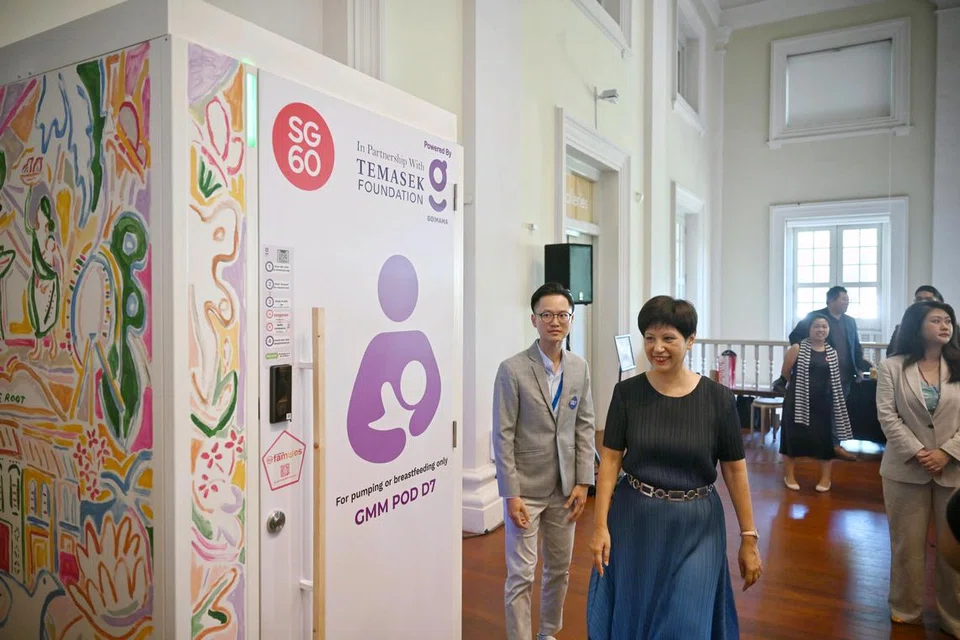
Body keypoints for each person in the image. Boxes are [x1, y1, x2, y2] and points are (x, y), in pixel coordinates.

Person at [587, 296, 761, 639]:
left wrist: (748, 537)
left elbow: (735, 470)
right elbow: (610, 461)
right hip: (636, 520)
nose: (658, 348)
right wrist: (600, 526)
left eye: (669, 338)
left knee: (686, 621)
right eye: (650, 338)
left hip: (698, 524)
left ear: (690, 339)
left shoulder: (718, 399)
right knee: (636, 611)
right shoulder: (627, 394)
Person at [493, 282, 596, 640]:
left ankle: (548, 632)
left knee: (559, 570)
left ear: (571, 319)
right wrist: (511, 494)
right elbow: (503, 435)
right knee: (521, 575)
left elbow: (585, 425)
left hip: (565, 489)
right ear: (534, 319)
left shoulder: (579, 367)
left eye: (562, 315)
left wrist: (583, 481)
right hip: (526, 489)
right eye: (547, 315)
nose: (555, 321)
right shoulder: (512, 369)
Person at [877, 300, 960, 636]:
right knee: (906, 546)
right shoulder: (892, 367)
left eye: (948, 321)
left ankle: (954, 617)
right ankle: (905, 608)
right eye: (936, 320)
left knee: (954, 548)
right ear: (917, 325)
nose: (945, 326)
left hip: (953, 469)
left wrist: (947, 453)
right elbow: (887, 415)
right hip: (905, 469)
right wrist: (919, 452)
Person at [789, 286, 871, 460]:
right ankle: (815, 444)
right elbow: (794, 337)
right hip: (818, 377)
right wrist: (811, 350)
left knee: (837, 412)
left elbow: (856, 345)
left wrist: (859, 368)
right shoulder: (815, 317)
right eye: (844, 299)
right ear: (831, 300)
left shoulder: (850, 321)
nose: (847, 302)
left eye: (847, 299)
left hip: (844, 376)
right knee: (817, 412)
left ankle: (834, 445)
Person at [779, 314, 852, 492]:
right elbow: (786, 373)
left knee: (824, 441)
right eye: (816, 326)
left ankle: (825, 479)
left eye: (824, 326)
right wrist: (800, 388)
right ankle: (789, 475)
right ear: (809, 329)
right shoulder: (797, 348)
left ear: (829, 330)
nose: (820, 330)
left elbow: (833, 379)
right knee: (792, 439)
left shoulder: (832, 352)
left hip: (822, 402)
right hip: (797, 401)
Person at [887, 285, 944, 356]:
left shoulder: (949, 328)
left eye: (929, 300)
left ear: (940, 304)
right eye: (919, 299)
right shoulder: (902, 328)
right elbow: (891, 353)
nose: (923, 302)